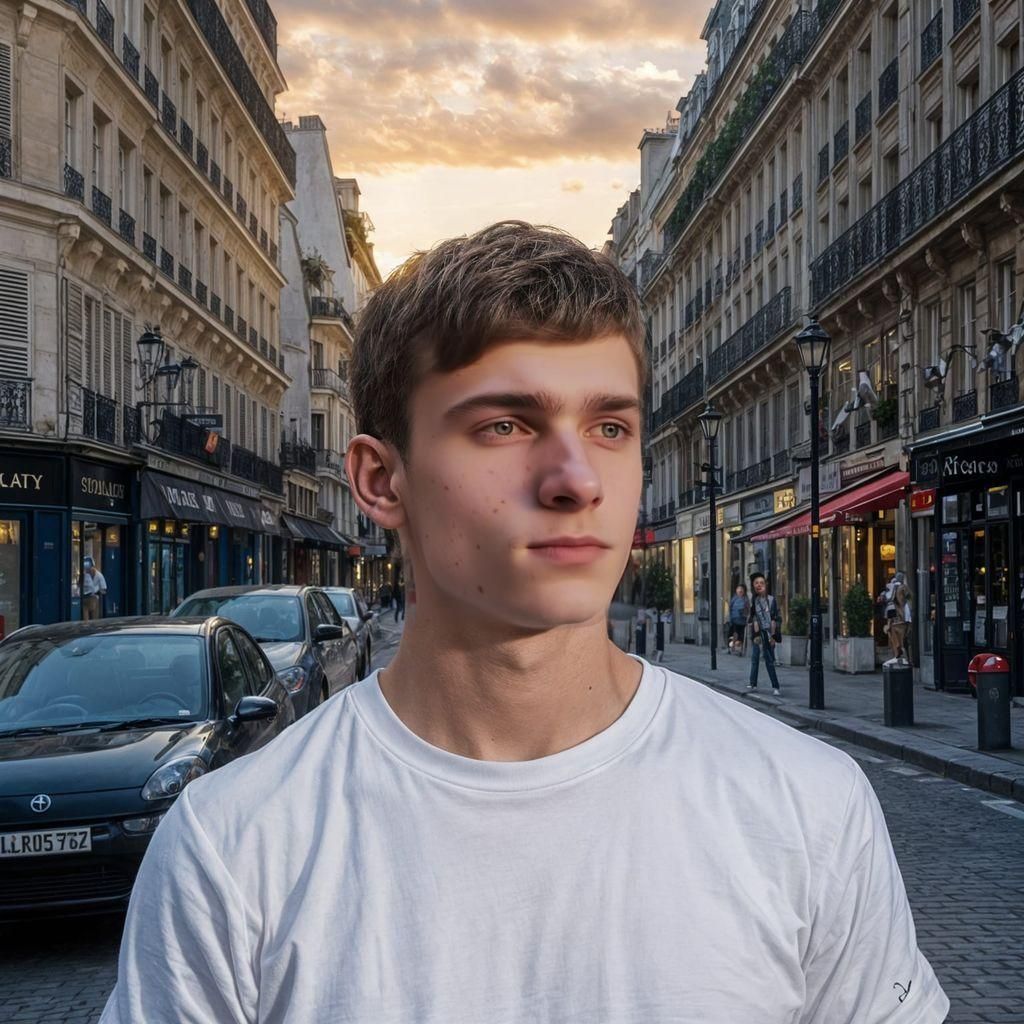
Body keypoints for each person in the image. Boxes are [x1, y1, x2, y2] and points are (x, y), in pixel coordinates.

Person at [100, 223, 948, 1023]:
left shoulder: (807, 805)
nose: (576, 479)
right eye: (506, 425)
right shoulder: (233, 847)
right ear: (380, 480)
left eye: (610, 426)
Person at [747, 572, 782, 696]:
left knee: (769, 660)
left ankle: (776, 686)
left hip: (768, 633)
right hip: (757, 634)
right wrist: (753, 622)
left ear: (766, 585)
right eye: (756, 583)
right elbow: (750, 617)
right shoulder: (753, 600)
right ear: (753, 585)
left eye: (761, 583)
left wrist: (773, 632)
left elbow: (777, 617)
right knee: (755, 658)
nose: (759, 585)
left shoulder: (771, 600)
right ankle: (753, 683)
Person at [879, 570, 912, 662]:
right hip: (902, 616)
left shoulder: (890, 588)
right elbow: (910, 598)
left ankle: (897, 653)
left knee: (894, 636)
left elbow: (883, 599)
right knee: (904, 638)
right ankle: (904, 657)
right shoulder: (903, 587)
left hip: (892, 617)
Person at [81, 556, 107, 621]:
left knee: (94, 616)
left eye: (90, 568)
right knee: (85, 616)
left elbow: (104, 590)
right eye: (86, 569)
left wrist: (97, 592)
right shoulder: (84, 575)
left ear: (93, 566)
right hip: (84, 598)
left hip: (94, 598)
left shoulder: (99, 576)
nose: (88, 570)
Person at [727, 583, 750, 653]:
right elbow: (730, 608)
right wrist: (729, 618)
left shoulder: (745, 599)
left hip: (742, 620)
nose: (740, 590)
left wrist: (744, 613)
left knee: (741, 635)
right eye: (738, 589)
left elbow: (748, 609)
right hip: (735, 619)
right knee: (735, 633)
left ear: (744, 591)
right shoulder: (734, 598)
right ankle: (733, 647)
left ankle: (740, 649)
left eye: (741, 589)